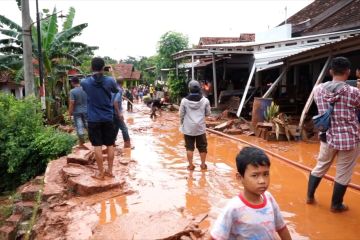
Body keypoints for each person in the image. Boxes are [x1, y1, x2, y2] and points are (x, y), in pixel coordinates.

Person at [307, 57, 360, 212]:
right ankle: (336, 205)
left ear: (330, 71)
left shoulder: (318, 89)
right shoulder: (354, 92)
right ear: (348, 72)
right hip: (349, 138)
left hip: (327, 136)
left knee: (320, 166)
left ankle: (310, 197)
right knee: (343, 173)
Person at [210, 147, 292, 240]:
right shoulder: (233, 208)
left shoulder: (269, 198)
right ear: (240, 178)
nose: (262, 181)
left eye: (265, 174)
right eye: (255, 175)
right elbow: (216, 236)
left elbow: (281, 227)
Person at [80, 57, 118, 180]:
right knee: (110, 145)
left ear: (91, 68)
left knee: (97, 146)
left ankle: (101, 173)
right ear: (103, 68)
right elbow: (116, 89)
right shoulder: (110, 81)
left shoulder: (84, 82)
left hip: (93, 119)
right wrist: (110, 72)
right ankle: (110, 171)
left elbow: (88, 80)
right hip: (108, 117)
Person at [179, 80, 211, 170]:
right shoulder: (205, 100)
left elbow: (181, 114)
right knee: (202, 147)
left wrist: (182, 124)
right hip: (200, 128)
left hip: (188, 128)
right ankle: (203, 165)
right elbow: (208, 113)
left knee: (189, 147)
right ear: (199, 88)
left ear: (189, 89)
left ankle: (190, 165)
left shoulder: (184, 101)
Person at [68, 76, 88, 147]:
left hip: (77, 112)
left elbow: (71, 103)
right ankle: (92, 141)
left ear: (72, 83)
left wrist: (69, 114)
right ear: (78, 82)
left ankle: (82, 143)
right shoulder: (85, 90)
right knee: (88, 125)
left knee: (79, 127)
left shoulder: (72, 91)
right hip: (86, 110)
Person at [113, 79, 132, 148]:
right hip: (116, 113)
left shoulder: (113, 89)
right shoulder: (119, 90)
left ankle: (112, 143)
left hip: (111, 113)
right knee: (124, 128)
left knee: (116, 128)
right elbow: (115, 102)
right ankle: (127, 145)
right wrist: (119, 113)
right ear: (122, 83)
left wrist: (122, 97)